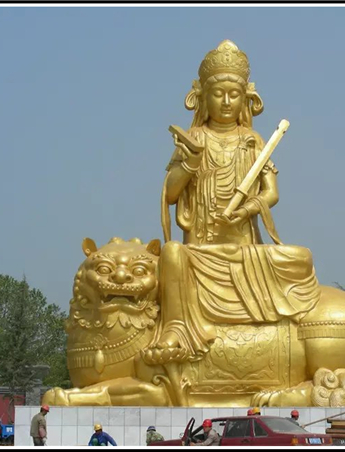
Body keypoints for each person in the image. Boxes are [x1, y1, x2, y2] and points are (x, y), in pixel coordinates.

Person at [143, 39, 321, 366]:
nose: (226, 102)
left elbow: (271, 193)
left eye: (234, 94)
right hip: (201, 251)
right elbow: (170, 194)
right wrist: (190, 162)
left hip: (244, 252)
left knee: (301, 258)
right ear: (203, 98)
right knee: (171, 254)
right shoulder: (194, 139)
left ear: (245, 99)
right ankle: (177, 330)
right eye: (218, 94)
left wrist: (247, 209)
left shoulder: (252, 140)